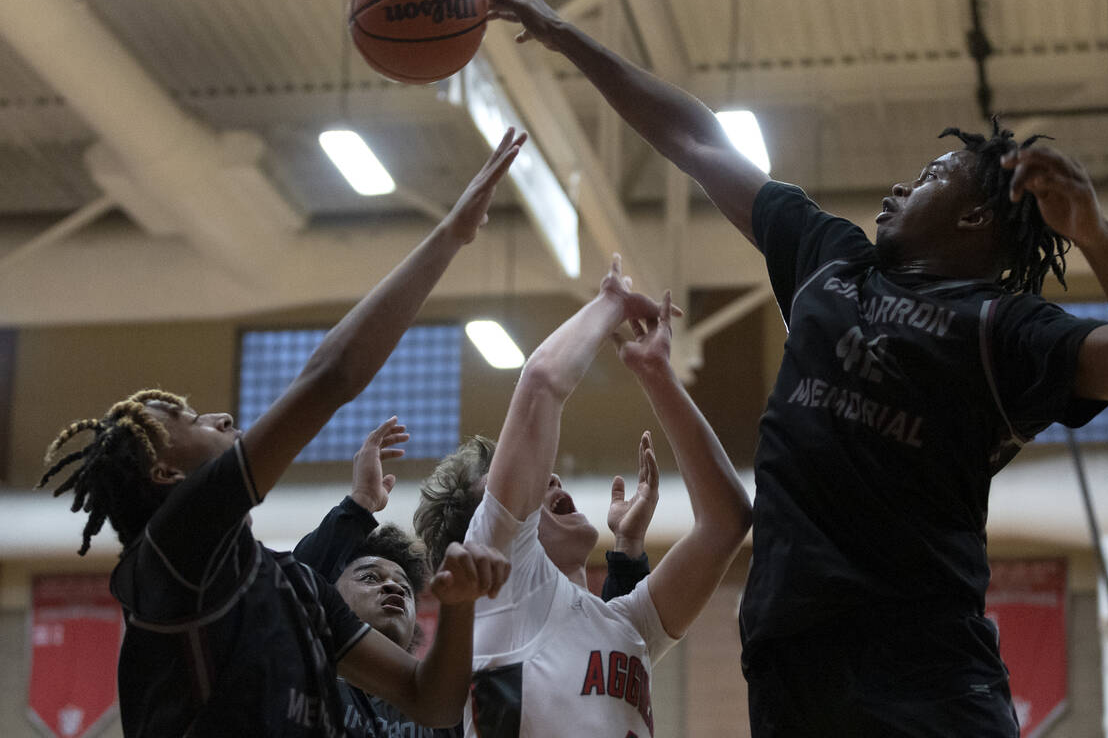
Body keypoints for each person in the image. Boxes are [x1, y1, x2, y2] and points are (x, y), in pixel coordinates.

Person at [479, 0, 1108, 737]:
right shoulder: (830, 259)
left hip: (926, 675)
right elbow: (693, 140)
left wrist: (1099, 237)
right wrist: (563, 35)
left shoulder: (1005, 329)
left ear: (977, 216)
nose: (897, 187)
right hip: (791, 670)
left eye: (927, 180)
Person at [37, 130, 527, 738]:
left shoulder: (291, 584)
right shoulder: (172, 552)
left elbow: (430, 701)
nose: (216, 417)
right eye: (188, 421)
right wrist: (450, 235)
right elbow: (331, 376)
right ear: (167, 475)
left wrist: (455, 609)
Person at [413, 257, 752, 737]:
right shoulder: (503, 587)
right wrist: (610, 302)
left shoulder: (626, 624)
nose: (548, 478)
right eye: (504, 479)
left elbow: (726, 524)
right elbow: (542, 385)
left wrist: (658, 374)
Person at [292, 415, 659, 737]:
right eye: (369, 577)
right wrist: (358, 505)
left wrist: (627, 552)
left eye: (405, 587)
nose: (392, 586)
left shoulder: (451, 692)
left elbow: (607, 647)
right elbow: (291, 588)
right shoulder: (303, 678)